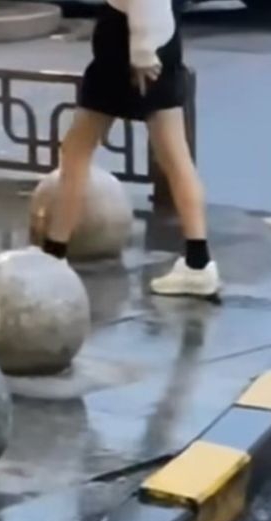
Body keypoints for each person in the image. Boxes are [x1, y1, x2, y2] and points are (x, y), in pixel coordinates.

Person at [41, 0, 217, 298]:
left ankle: (54, 255)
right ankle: (198, 262)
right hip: (152, 38)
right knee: (175, 157)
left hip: (132, 46)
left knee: (76, 152)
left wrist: (142, 47)